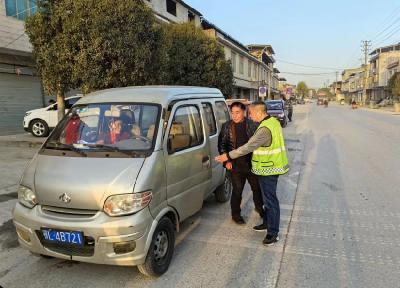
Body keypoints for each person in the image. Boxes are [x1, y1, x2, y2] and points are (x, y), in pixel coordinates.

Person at [215, 101, 289, 246]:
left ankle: (273, 233)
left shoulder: (263, 129)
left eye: (251, 112)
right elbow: (223, 144)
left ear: (258, 112)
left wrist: (227, 156)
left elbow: (248, 147)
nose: (250, 115)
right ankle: (266, 224)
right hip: (261, 167)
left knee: (270, 201)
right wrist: (228, 160)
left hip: (268, 168)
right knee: (263, 199)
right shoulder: (272, 122)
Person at [218, 102, 264, 225]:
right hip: (236, 166)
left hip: (252, 165)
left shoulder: (253, 125)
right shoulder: (226, 126)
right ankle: (236, 215)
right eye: (232, 113)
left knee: (257, 189)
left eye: (237, 112)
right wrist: (227, 161)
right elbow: (222, 146)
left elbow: (258, 144)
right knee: (237, 191)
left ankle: (260, 209)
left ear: (244, 112)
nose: (234, 115)